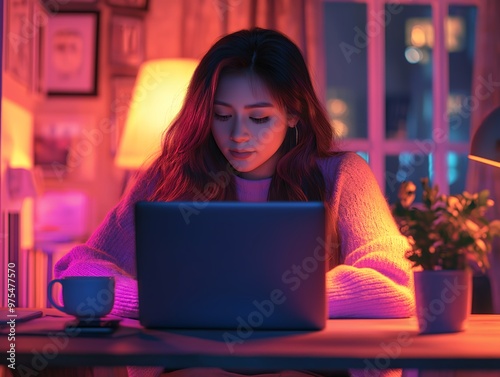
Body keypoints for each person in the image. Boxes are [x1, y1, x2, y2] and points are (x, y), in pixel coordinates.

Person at [54, 28, 415, 377]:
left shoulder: (343, 175)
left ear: (294, 115)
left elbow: (395, 285)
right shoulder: (167, 178)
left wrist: (266, 300)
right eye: (222, 115)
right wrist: (156, 301)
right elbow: (79, 267)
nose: (238, 135)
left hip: (309, 364)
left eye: (259, 118)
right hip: (194, 365)